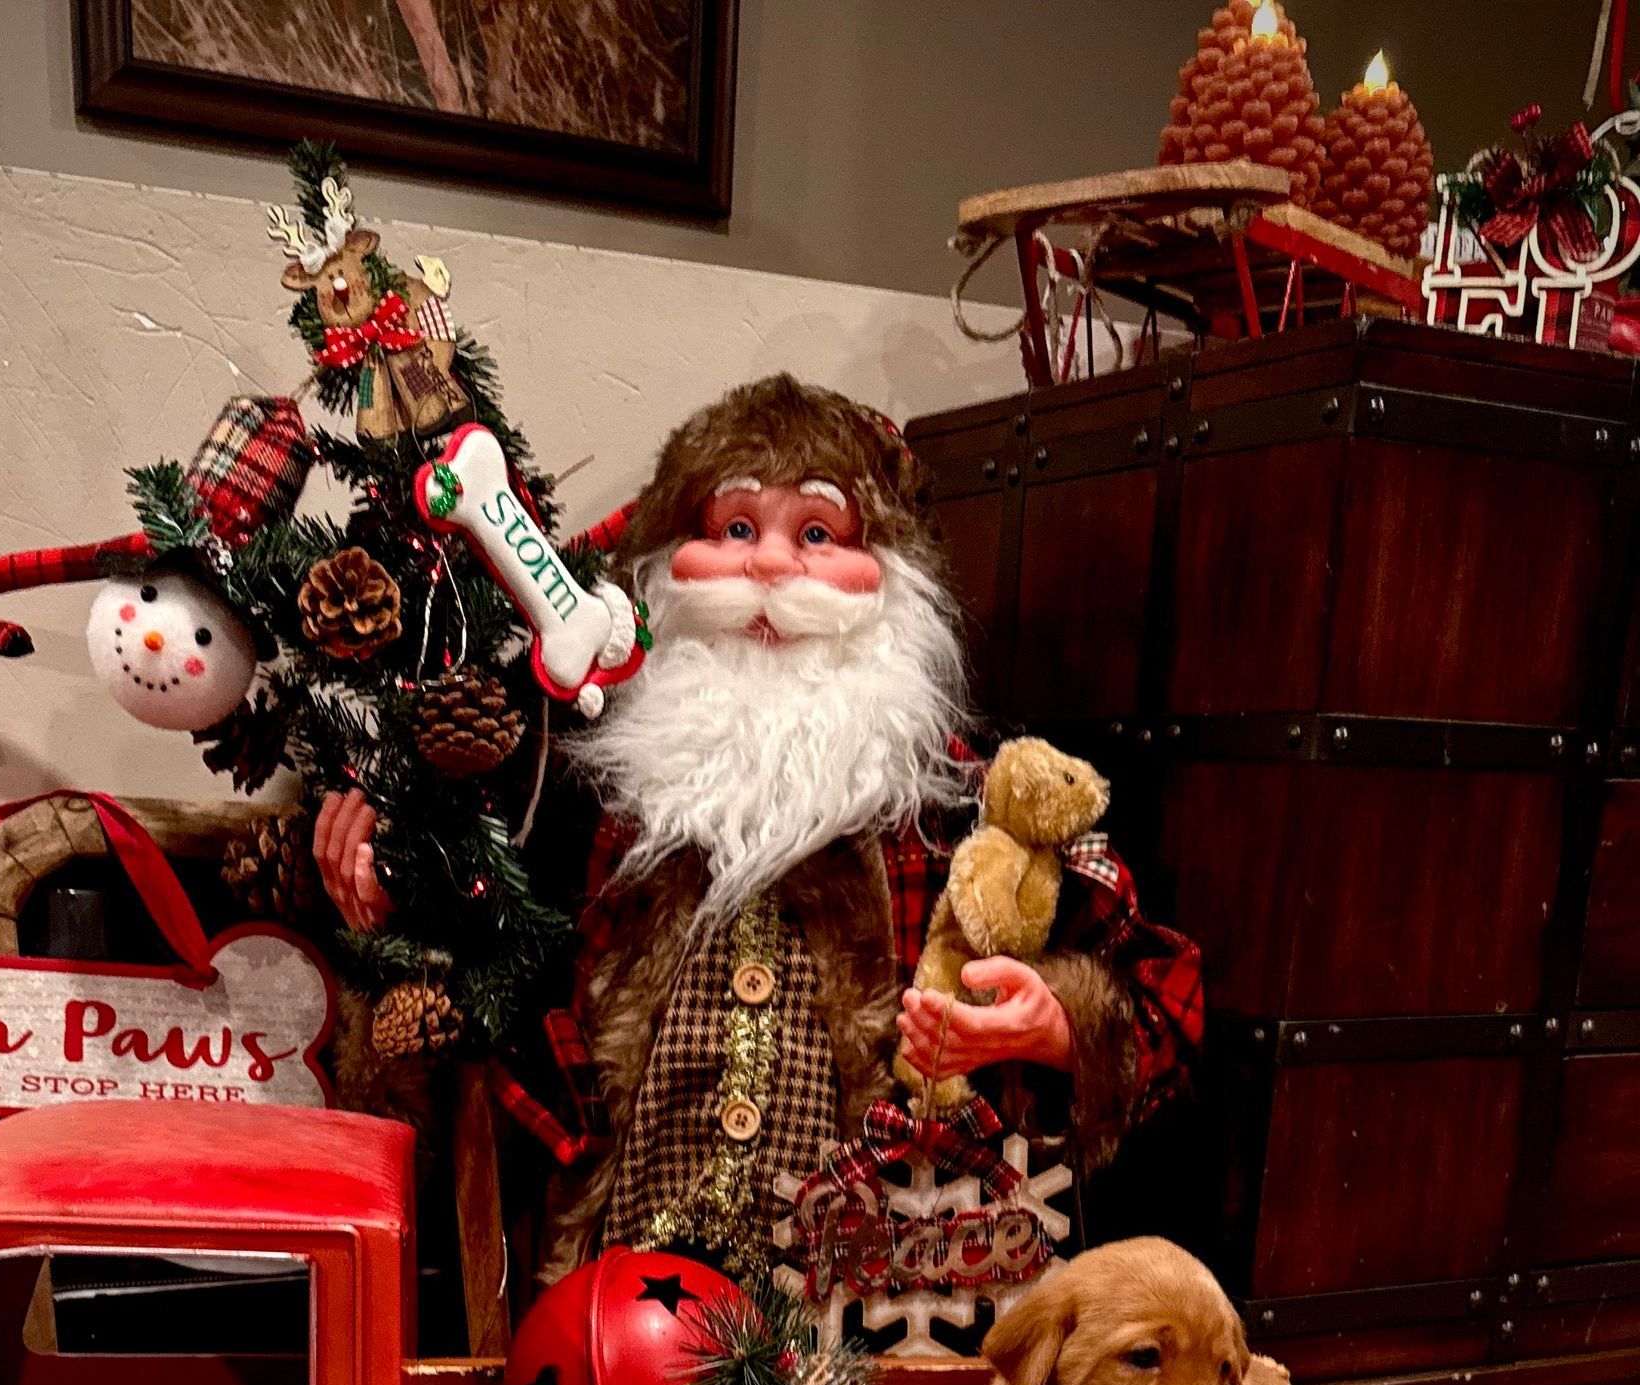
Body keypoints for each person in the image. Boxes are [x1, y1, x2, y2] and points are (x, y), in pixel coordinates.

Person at [315, 373, 1202, 1291]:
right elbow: (473, 984)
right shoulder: (573, 779)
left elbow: (1158, 989)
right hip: (608, 1298)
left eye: (817, 535)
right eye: (736, 530)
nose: (772, 568)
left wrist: (1060, 1024)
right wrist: (396, 910)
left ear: (890, 578)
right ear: (668, 559)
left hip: (863, 1317)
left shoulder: (960, 806)